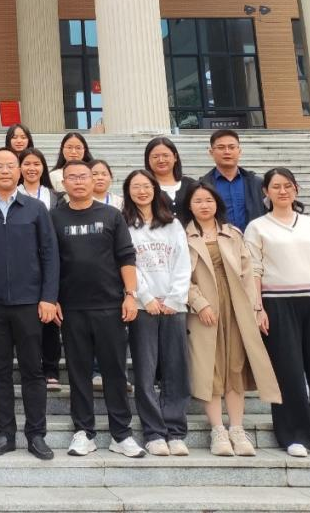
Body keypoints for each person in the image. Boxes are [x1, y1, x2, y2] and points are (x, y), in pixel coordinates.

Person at [244, 168, 310, 460]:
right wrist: (257, 307)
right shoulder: (257, 227)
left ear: (296, 189)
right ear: (265, 192)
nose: (282, 191)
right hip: (277, 304)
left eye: (287, 186)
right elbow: (254, 270)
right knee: (287, 372)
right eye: (276, 186)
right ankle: (295, 435)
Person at [0, 148, 59, 460]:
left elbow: (50, 255)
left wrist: (48, 297)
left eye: (10, 166)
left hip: (30, 304)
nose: (5, 171)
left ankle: (36, 434)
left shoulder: (36, 209)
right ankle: (5, 433)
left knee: (33, 371)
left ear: (19, 171)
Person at [50, 160, 144, 458]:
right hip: (72, 308)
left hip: (110, 306)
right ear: (63, 183)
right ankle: (83, 432)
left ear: (94, 181)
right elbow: (49, 260)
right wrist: (52, 298)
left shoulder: (111, 215)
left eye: (84, 176)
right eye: (72, 177)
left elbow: (126, 257)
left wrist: (130, 295)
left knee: (115, 371)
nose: (78, 181)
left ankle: (121, 434)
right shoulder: (54, 217)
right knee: (78, 372)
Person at [179, 181, 280, 458]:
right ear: (189, 206)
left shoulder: (233, 233)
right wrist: (199, 303)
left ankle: (237, 428)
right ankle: (218, 431)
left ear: (217, 204)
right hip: (204, 310)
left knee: (235, 367)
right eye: (198, 201)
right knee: (210, 368)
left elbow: (248, 273)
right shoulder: (182, 236)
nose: (204, 205)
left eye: (209, 200)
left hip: (236, 308)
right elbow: (180, 276)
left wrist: (253, 307)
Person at [121, 169, 191, 457]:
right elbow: (128, 264)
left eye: (146, 186)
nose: (142, 191)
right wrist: (146, 297)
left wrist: (174, 298)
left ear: (155, 189)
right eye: (135, 187)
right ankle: (153, 433)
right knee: (145, 371)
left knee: (176, 369)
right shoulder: (125, 224)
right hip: (142, 306)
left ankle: (175, 431)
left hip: (174, 305)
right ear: (128, 192)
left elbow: (183, 262)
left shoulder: (173, 224)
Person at [18, 148, 63, 389]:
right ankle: (30, 367)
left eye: (36, 163)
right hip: (23, 264)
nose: (32, 168)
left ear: (43, 167)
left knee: (49, 316)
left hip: (49, 260)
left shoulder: (55, 197)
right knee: (26, 321)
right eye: (27, 163)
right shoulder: (12, 194)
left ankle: (51, 368)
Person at [203, 130, 264, 232]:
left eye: (231, 147)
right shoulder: (203, 185)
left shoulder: (257, 183)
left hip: (253, 239)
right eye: (221, 147)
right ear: (211, 152)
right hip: (218, 239)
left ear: (239, 151)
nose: (227, 152)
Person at [144, 136, 197, 216]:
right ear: (148, 159)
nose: (161, 160)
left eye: (166, 155)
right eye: (155, 157)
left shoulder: (191, 184)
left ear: (175, 157)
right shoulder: (143, 187)